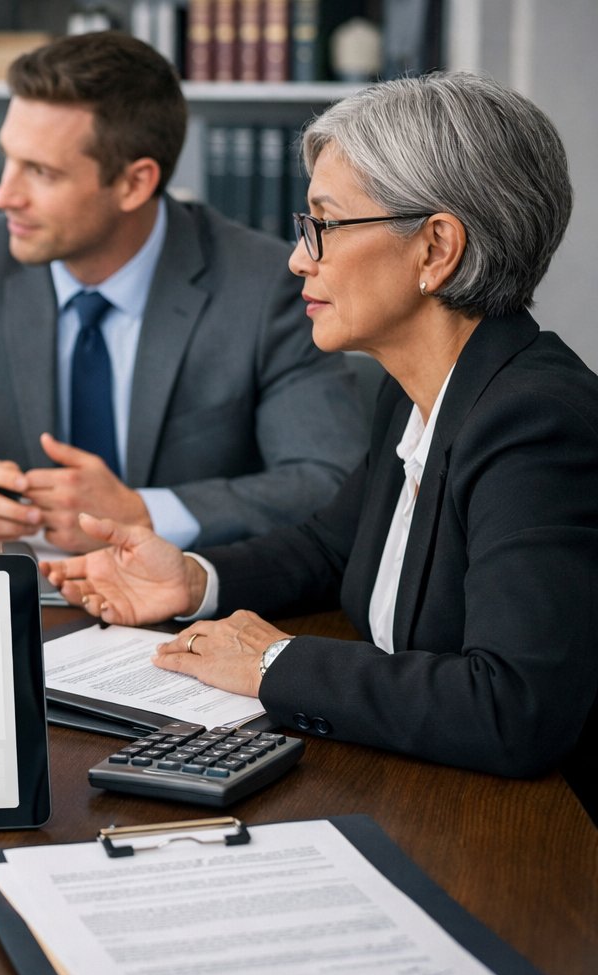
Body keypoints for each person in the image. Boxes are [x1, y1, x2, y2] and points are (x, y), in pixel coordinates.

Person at [42, 71, 598, 793]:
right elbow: (331, 547)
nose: (298, 257)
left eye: (323, 226)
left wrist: (274, 664)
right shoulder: (419, 391)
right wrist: (191, 578)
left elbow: (512, 707)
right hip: (419, 788)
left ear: (435, 249)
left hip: (536, 844)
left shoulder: (535, 424)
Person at [0, 31, 365, 553]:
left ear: (134, 183)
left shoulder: (263, 281)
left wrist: (143, 513)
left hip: (194, 615)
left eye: (40, 172)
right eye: (9, 159)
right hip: (34, 609)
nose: (3, 194)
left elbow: (329, 479)